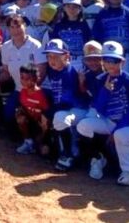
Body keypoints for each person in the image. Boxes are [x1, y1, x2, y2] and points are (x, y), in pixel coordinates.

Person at [76, 41, 129, 185]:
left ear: (122, 62)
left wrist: (117, 129)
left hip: (127, 124)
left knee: (119, 135)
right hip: (109, 121)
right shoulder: (100, 80)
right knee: (83, 126)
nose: (110, 64)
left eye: (114, 60)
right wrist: (106, 90)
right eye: (106, 60)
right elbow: (99, 107)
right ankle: (99, 157)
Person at [41, 39, 87, 171]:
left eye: (55, 56)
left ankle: (67, 155)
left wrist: (46, 113)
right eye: (49, 56)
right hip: (68, 110)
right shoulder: (54, 71)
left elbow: (65, 102)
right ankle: (68, 152)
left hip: (79, 109)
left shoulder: (69, 73)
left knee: (59, 117)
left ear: (67, 56)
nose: (51, 60)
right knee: (58, 117)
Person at [0, 13, 44, 124]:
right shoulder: (5, 47)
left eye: (18, 26)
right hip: (18, 90)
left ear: (25, 26)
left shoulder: (35, 45)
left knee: (32, 116)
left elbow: (42, 72)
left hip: (35, 91)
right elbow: (6, 71)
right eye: (12, 27)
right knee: (8, 116)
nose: (15, 30)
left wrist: (31, 91)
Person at [15, 65, 49, 156]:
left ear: (35, 79)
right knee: (20, 117)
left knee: (44, 152)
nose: (24, 81)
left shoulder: (41, 95)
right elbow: (23, 107)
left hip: (42, 127)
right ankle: (28, 141)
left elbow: (46, 113)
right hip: (31, 123)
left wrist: (43, 134)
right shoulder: (23, 92)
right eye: (22, 78)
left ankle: (39, 144)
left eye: (28, 79)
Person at [51, 0, 91, 65]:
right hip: (64, 61)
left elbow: (87, 43)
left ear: (80, 8)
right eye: (68, 6)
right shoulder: (58, 26)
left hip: (81, 61)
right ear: (64, 8)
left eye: (75, 6)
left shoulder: (84, 24)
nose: (71, 9)